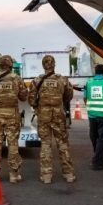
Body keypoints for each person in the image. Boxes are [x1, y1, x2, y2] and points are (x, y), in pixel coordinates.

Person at [28, 55, 76, 184]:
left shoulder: (37, 80)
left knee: (45, 143)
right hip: (58, 114)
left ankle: (46, 175)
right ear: (54, 64)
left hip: (43, 115)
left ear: (43, 66)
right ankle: (68, 173)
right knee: (62, 143)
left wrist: (38, 105)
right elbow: (69, 95)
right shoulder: (62, 79)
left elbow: (31, 99)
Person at [0, 55, 27, 183]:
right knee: (13, 145)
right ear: (11, 65)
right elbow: (24, 96)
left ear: (0, 65)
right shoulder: (16, 79)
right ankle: (14, 174)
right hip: (12, 115)